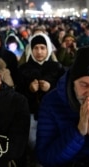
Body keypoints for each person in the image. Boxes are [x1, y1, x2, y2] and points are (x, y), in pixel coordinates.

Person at [18, 32, 65, 166]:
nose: (39, 51)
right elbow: (17, 93)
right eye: (36, 48)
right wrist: (30, 89)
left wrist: (51, 87)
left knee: (52, 140)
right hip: (32, 113)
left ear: (48, 49)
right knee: (33, 141)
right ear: (31, 50)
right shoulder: (23, 69)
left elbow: (64, 89)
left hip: (53, 114)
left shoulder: (57, 68)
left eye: (42, 48)